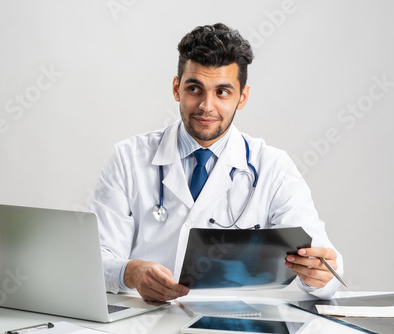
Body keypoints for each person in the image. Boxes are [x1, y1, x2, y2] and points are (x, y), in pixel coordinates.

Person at [90, 23, 343, 302]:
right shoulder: (128, 158)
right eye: (195, 88)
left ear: (242, 97)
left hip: (236, 323)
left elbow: (324, 262)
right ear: (177, 89)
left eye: (222, 92)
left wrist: (320, 275)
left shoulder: (273, 167)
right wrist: (130, 272)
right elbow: (93, 260)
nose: (206, 106)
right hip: (147, 320)